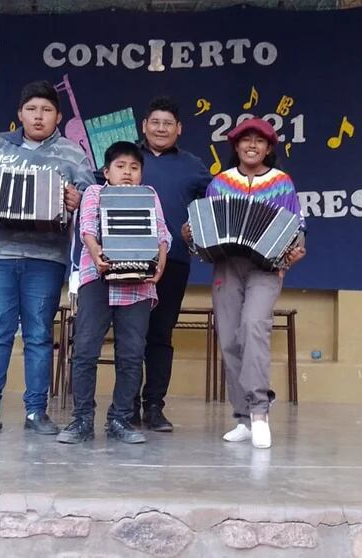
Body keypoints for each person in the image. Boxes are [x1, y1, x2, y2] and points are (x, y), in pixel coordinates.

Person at [0, 80, 94, 436]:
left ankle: (35, 413)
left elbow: (93, 198)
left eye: (46, 110)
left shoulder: (72, 153)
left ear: (58, 116)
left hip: (46, 256)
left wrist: (80, 199)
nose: (39, 116)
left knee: (39, 334)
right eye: (32, 109)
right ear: (20, 115)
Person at [184, 118, 306, 449]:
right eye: (245, 140)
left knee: (253, 326)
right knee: (229, 339)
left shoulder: (282, 183)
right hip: (228, 264)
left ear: (269, 148)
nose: (252, 145)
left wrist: (297, 247)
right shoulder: (220, 184)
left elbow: (296, 227)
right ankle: (243, 418)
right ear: (235, 147)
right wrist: (192, 235)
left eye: (259, 141)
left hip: (266, 267)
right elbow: (205, 233)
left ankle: (260, 412)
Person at [57, 141, 171, 444]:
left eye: (134, 168)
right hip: (99, 278)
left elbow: (162, 231)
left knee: (132, 354)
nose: (128, 173)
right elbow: (87, 228)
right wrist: (96, 255)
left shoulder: (149, 195)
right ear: (106, 172)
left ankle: (119, 420)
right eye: (120, 167)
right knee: (85, 350)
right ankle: (81, 420)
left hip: (139, 284)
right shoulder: (95, 193)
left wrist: (160, 261)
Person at [133, 97, 210, 432]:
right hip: (128, 260)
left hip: (174, 261)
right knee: (130, 335)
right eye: (155, 122)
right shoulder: (128, 158)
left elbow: (215, 207)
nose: (161, 128)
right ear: (144, 125)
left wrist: (198, 234)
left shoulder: (194, 165)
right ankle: (124, 407)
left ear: (179, 129)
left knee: (160, 335)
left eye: (168, 123)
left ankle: (154, 407)